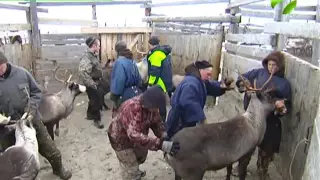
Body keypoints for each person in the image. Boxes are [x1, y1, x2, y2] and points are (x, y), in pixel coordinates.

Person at [0, 51, 72, 180]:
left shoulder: (21, 73)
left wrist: (31, 111)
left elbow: (36, 93)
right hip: (7, 129)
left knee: (51, 150)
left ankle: (59, 169)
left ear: (4, 62)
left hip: (32, 121)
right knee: (12, 162)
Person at [234, 51, 292, 179]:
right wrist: (245, 86)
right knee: (246, 145)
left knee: (267, 147)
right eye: (270, 64)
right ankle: (241, 166)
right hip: (252, 117)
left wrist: (281, 106)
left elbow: (287, 103)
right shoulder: (258, 73)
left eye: (275, 65)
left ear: (280, 66)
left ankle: (262, 169)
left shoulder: (284, 84)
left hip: (270, 120)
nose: (272, 68)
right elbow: (242, 79)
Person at [107, 86, 180, 180]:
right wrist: (161, 144)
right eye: (156, 107)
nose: (157, 110)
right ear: (148, 105)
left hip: (136, 135)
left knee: (140, 156)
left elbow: (156, 122)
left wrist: (163, 135)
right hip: (121, 140)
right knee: (130, 166)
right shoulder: (132, 109)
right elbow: (134, 136)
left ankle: (133, 169)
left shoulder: (151, 107)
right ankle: (132, 174)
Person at [165, 60, 234, 139]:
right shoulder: (191, 83)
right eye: (208, 74)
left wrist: (222, 86)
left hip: (186, 121)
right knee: (178, 145)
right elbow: (189, 101)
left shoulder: (198, 80)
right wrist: (202, 119)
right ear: (200, 70)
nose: (209, 77)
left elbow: (210, 86)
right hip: (179, 123)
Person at [110, 41, 143, 117]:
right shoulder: (132, 61)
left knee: (121, 117)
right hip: (135, 92)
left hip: (124, 95)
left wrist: (114, 96)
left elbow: (119, 81)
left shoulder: (119, 62)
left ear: (117, 51)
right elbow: (138, 78)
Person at [146, 36, 173, 121]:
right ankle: (162, 120)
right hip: (165, 80)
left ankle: (161, 121)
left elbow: (155, 70)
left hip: (159, 83)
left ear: (151, 44)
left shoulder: (156, 54)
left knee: (158, 104)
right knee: (161, 102)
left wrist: (150, 84)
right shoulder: (163, 52)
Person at [79, 36, 104, 129]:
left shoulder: (93, 55)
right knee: (96, 101)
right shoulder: (87, 57)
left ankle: (90, 115)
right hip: (92, 83)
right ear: (94, 45)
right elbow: (83, 72)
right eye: (98, 46)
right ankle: (97, 120)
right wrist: (92, 84)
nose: (99, 47)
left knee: (96, 99)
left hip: (96, 81)